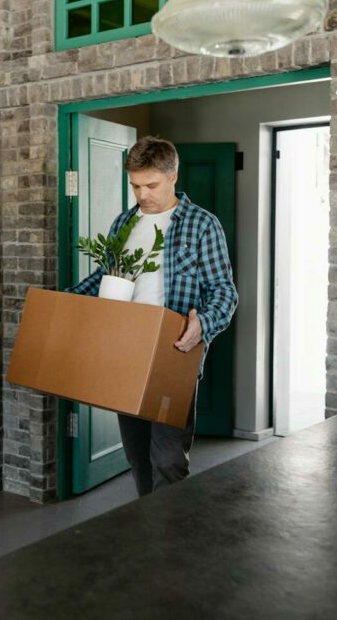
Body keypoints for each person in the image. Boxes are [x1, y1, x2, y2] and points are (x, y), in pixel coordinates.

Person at [68, 136, 237, 496]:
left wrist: (202, 326)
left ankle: (170, 545)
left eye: (151, 185)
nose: (142, 195)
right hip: (125, 353)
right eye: (135, 185)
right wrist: (64, 303)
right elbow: (105, 279)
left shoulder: (201, 225)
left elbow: (224, 292)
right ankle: (149, 531)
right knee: (138, 456)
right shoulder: (124, 224)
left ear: (173, 176)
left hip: (173, 355)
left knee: (168, 459)